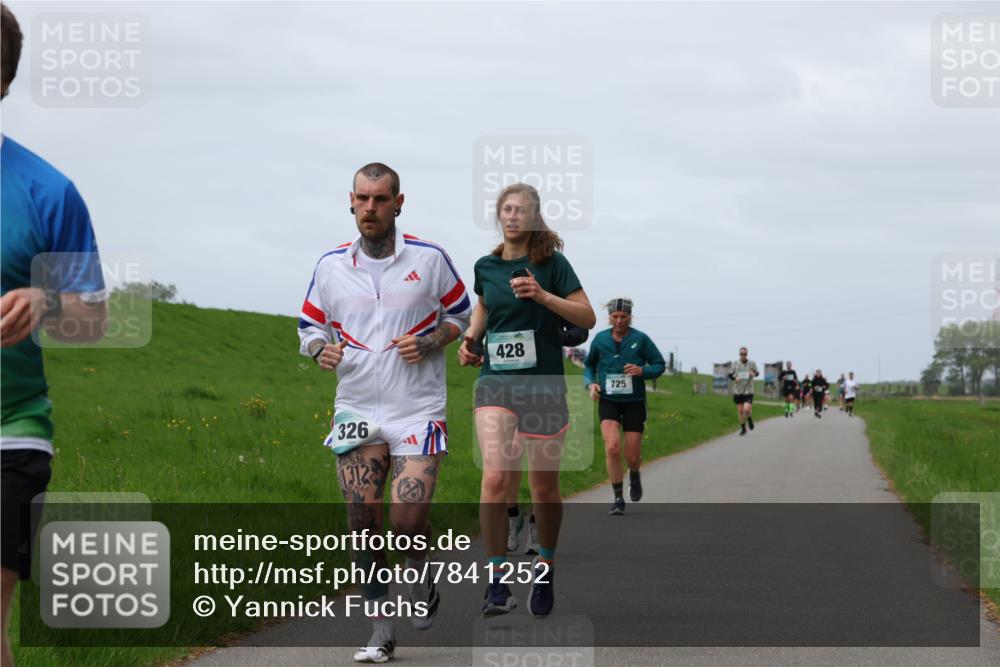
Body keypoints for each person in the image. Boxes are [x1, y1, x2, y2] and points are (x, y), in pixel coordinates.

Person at [298, 163, 471, 663]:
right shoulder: (330, 265)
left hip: (417, 406)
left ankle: (419, 578)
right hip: (356, 407)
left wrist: (432, 337)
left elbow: (460, 314)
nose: (370, 208)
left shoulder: (431, 258)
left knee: (406, 519)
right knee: (362, 521)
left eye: (380, 199)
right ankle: (379, 628)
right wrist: (318, 350)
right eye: (362, 198)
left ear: (399, 203)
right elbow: (309, 326)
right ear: (350, 202)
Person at [1, 6, 108, 665]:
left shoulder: (49, 191)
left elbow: (92, 320)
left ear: (3, 80)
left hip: (10, 431)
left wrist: (46, 301)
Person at [458, 182, 595, 619]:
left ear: (534, 218)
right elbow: (483, 304)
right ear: (498, 215)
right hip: (495, 382)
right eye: (507, 209)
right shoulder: (486, 265)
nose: (513, 216)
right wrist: (470, 338)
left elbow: (587, 317)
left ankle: (545, 566)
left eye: (522, 210)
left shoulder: (552, 265)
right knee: (496, 478)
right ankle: (497, 582)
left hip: (543, 385)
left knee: (543, 487)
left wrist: (543, 295)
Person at [583, 298, 665, 515]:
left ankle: (635, 474)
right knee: (611, 447)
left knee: (631, 455)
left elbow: (659, 364)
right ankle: (618, 498)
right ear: (609, 317)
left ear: (630, 317)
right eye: (615, 316)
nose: (619, 321)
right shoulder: (600, 340)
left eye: (624, 317)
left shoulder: (641, 339)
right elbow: (589, 366)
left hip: (634, 402)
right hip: (608, 400)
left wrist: (642, 371)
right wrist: (590, 383)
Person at [728, 347, 759, 436]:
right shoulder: (735, 364)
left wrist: (754, 374)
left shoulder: (751, 363)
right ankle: (743, 428)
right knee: (740, 411)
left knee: (747, 409)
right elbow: (730, 375)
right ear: (739, 354)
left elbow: (757, 373)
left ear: (747, 354)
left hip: (748, 390)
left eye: (745, 354)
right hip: (738, 390)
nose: (743, 355)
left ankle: (749, 419)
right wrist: (735, 378)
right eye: (742, 354)